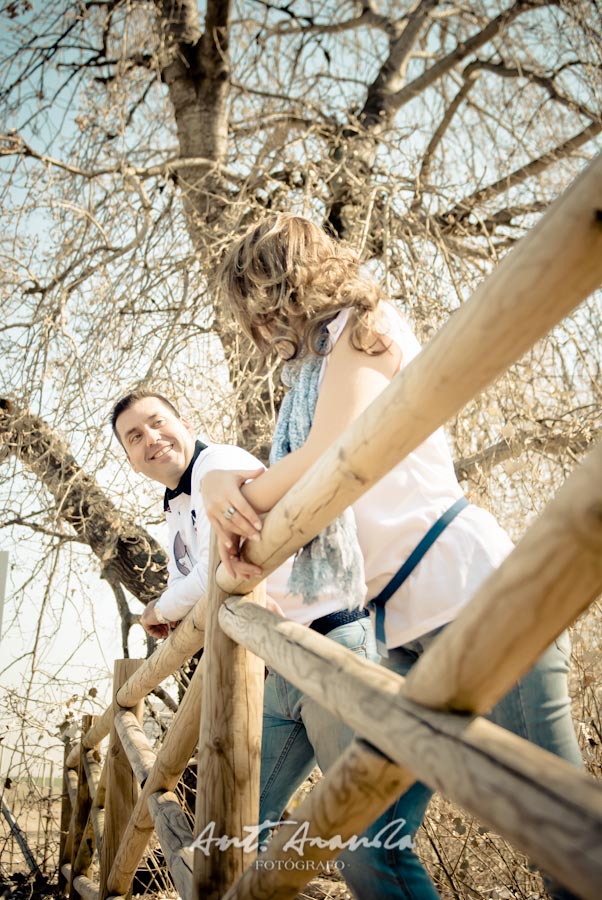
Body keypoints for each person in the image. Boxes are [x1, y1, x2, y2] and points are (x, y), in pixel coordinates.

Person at [201, 214, 583, 900]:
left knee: (562, 837)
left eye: (254, 306)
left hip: (472, 596)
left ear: (276, 288)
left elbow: (325, 456)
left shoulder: (362, 326)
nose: (257, 332)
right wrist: (222, 485)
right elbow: (297, 469)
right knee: (364, 844)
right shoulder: (307, 375)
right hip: (399, 628)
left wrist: (235, 489)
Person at [110, 388, 377, 818]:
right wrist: (177, 606)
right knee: (239, 820)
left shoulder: (218, 465)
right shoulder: (176, 507)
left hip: (329, 641)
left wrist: (158, 612)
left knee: (364, 825)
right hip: (284, 663)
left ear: (186, 427)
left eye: (158, 422)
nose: (151, 438)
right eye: (135, 437)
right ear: (130, 458)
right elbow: (189, 576)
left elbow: (208, 575)